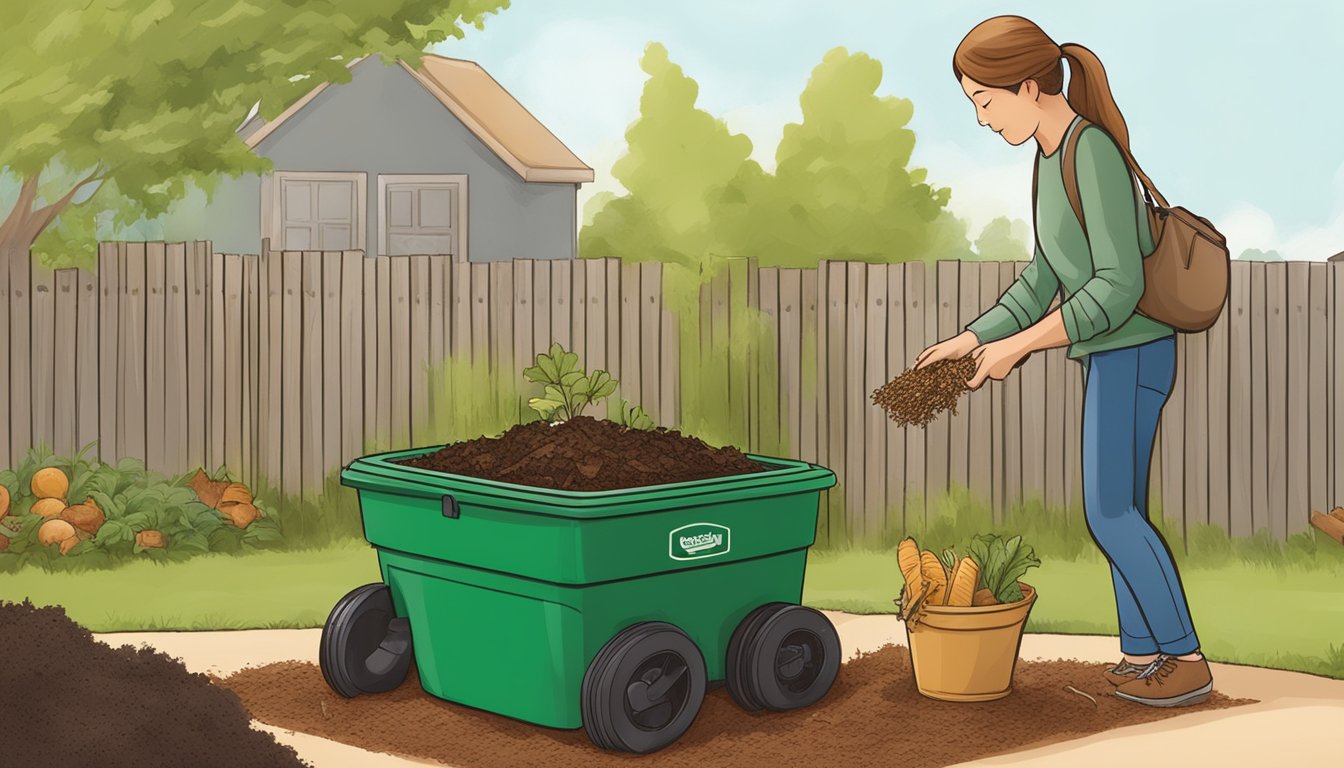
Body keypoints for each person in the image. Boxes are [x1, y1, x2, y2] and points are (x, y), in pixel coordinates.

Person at [915, 15, 1212, 707]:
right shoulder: (1050, 159)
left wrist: (1018, 347)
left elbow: (1117, 286)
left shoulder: (1092, 154)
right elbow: (1044, 276)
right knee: (1124, 507)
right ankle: (1145, 653)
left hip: (1132, 350)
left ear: (1028, 86)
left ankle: (1185, 656)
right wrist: (973, 336)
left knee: (1109, 513)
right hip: (1110, 353)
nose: (983, 121)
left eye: (986, 103)